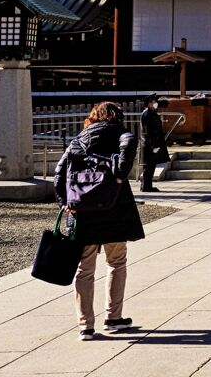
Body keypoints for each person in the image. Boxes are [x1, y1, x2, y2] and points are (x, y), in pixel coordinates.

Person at [54, 102, 144, 341]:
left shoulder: (78, 140)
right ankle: (113, 317)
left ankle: (85, 325)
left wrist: (65, 202)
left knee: (84, 269)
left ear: (93, 117)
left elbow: (59, 172)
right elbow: (127, 156)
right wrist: (119, 174)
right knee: (116, 262)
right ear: (117, 117)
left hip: (82, 211)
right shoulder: (121, 134)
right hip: (114, 210)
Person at [139, 95, 169, 192]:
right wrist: (154, 145)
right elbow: (148, 132)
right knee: (148, 166)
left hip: (150, 143)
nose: (155, 103)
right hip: (149, 144)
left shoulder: (151, 113)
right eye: (153, 101)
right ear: (149, 103)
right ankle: (146, 186)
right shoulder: (147, 114)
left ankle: (146, 185)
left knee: (150, 165)